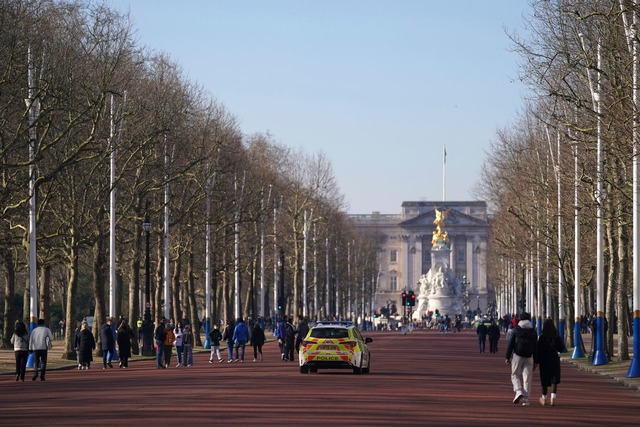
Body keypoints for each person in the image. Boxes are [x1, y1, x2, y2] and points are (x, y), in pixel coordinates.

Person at [505, 312, 538, 406]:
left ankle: (518, 390)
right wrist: (536, 360)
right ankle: (526, 399)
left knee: (515, 374)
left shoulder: (516, 330)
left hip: (518, 355)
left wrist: (507, 357)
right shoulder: (533, 331)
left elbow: (511, 344)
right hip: (529, 356)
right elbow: (536, 346)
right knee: (527, 377)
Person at [537, 318, 564, 406]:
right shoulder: (556, 336)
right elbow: (561, 348)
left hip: (544, 360)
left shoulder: (541, 337)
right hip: (554, 358)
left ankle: (544, 398)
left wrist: (536, 361)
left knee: (544, 379)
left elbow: (538, 350)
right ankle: (553, 398)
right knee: (554, 379)